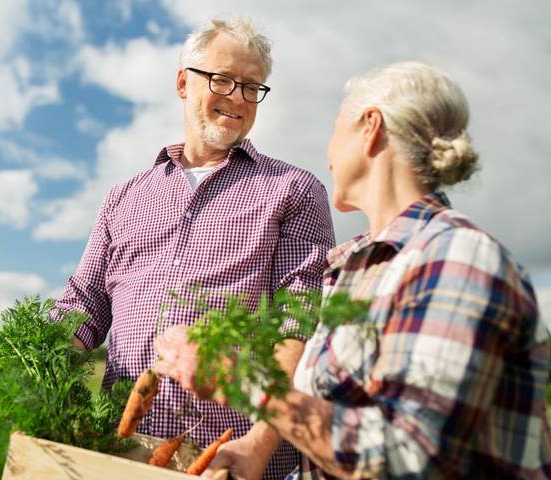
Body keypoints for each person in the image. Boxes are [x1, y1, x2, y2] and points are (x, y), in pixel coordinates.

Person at [155, 61, 551, 478]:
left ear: (370, 128)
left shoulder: (457, 257)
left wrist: (242, 381)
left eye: (335, 128)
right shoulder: (354, 268)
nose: (327, 154)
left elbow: (408, 459)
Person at [55, 16, 334, 480]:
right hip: (117, 452)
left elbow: (298, 324)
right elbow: (85, 302)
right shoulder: (124, 197)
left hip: (228, 458)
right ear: (184, 82)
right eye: (223, 80)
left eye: (252, 87)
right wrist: (36, 360)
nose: (239, 99)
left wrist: (259, 445)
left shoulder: (294, 190)